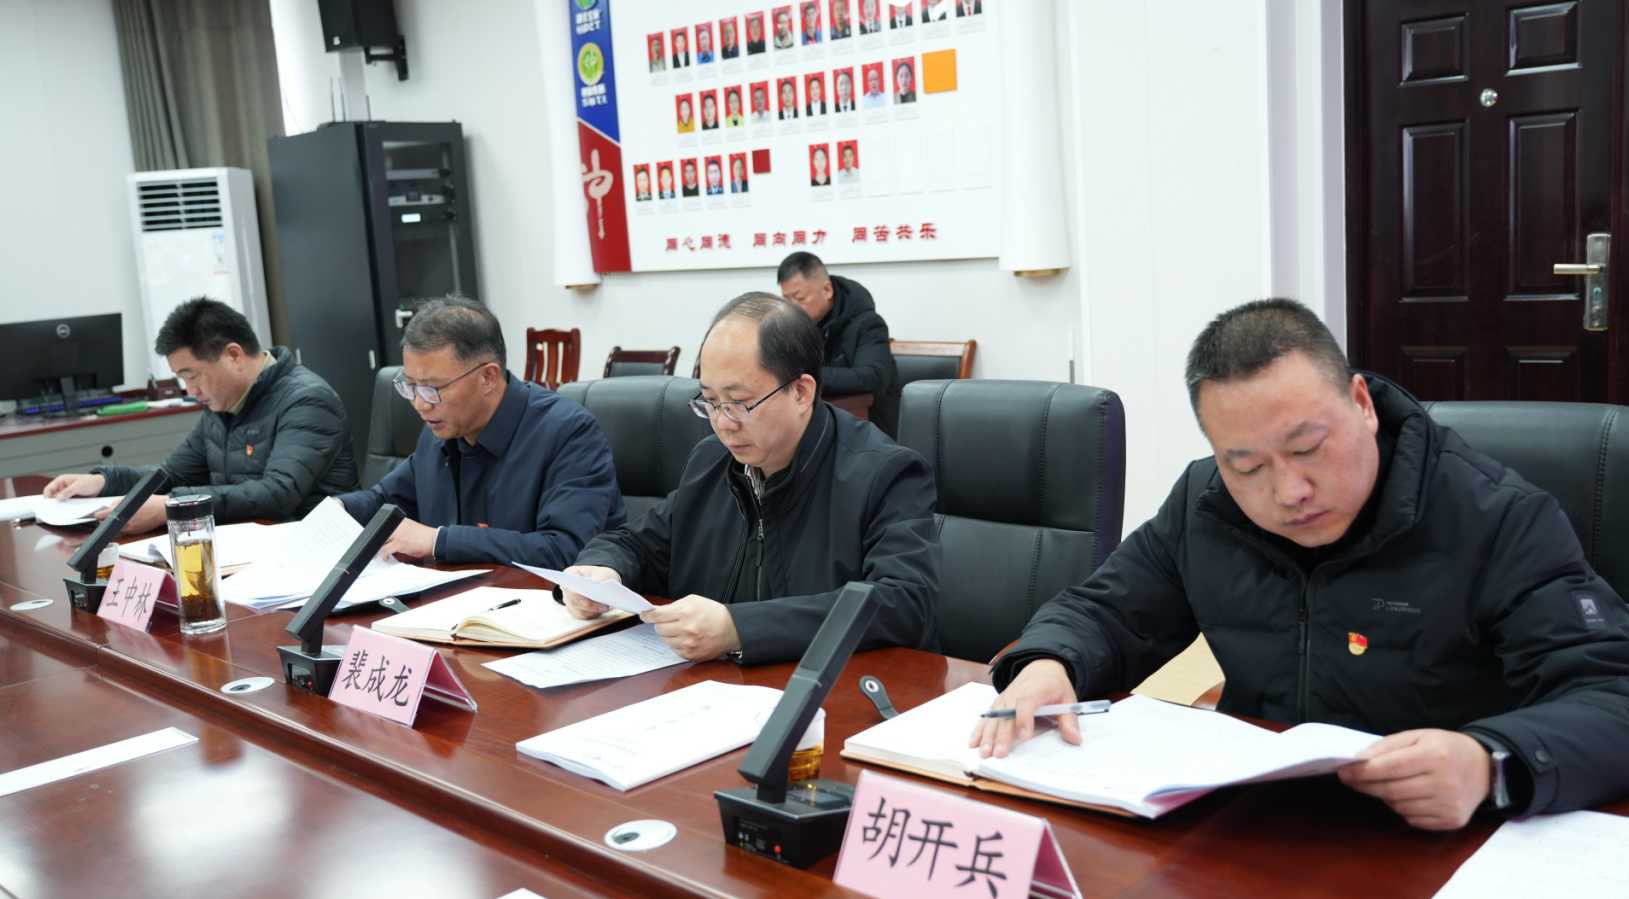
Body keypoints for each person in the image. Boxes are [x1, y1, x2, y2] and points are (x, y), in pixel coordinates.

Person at [972, 298, 1629, 831]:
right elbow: (1107, 611)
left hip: (1437, 837)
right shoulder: (1205, 503)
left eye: (1308, 448)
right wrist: (1050, 663)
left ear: (1362, 404)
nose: (1288, 492)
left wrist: (1488, 762)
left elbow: (1611, 695)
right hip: (1258, 823)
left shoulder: (1496, 517)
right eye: (1246, 465)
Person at [559, 293, 940, 664]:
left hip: (833, 690)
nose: (724, 423)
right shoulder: (712, 460)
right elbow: (641, 544)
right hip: (711, 687)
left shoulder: (884, 473)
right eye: (710, 401)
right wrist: (602, 569)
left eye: (740, 403)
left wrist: (741, 628)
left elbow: (902, 602)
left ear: (801, 391)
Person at [336, 297, 623, 566]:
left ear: (488, 377)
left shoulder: (569, 433)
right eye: (411, 386)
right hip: (458, 595)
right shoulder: (440, 431)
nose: (420, 404)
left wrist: (439, 541)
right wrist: (337, 509)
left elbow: (566, 549)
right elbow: (385, 500)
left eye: (433, 388)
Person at [45, 298, 359, 532]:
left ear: (233, 355)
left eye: (192, 376)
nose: (190, 390)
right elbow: (172, 475)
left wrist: (172, 506)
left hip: (311, 548)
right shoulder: (222, 404)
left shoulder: (307, 400)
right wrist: (103, 481)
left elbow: (277, 494)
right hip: (247, 544)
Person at [775, 252, 900, 436]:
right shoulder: (798, 327)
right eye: (787, 300)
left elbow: (872, 377)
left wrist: (807, 377)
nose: (792, 308)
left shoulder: (868, 324)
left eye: (800, 299)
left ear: (827, 290)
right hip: (820, 420)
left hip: (869, 427)